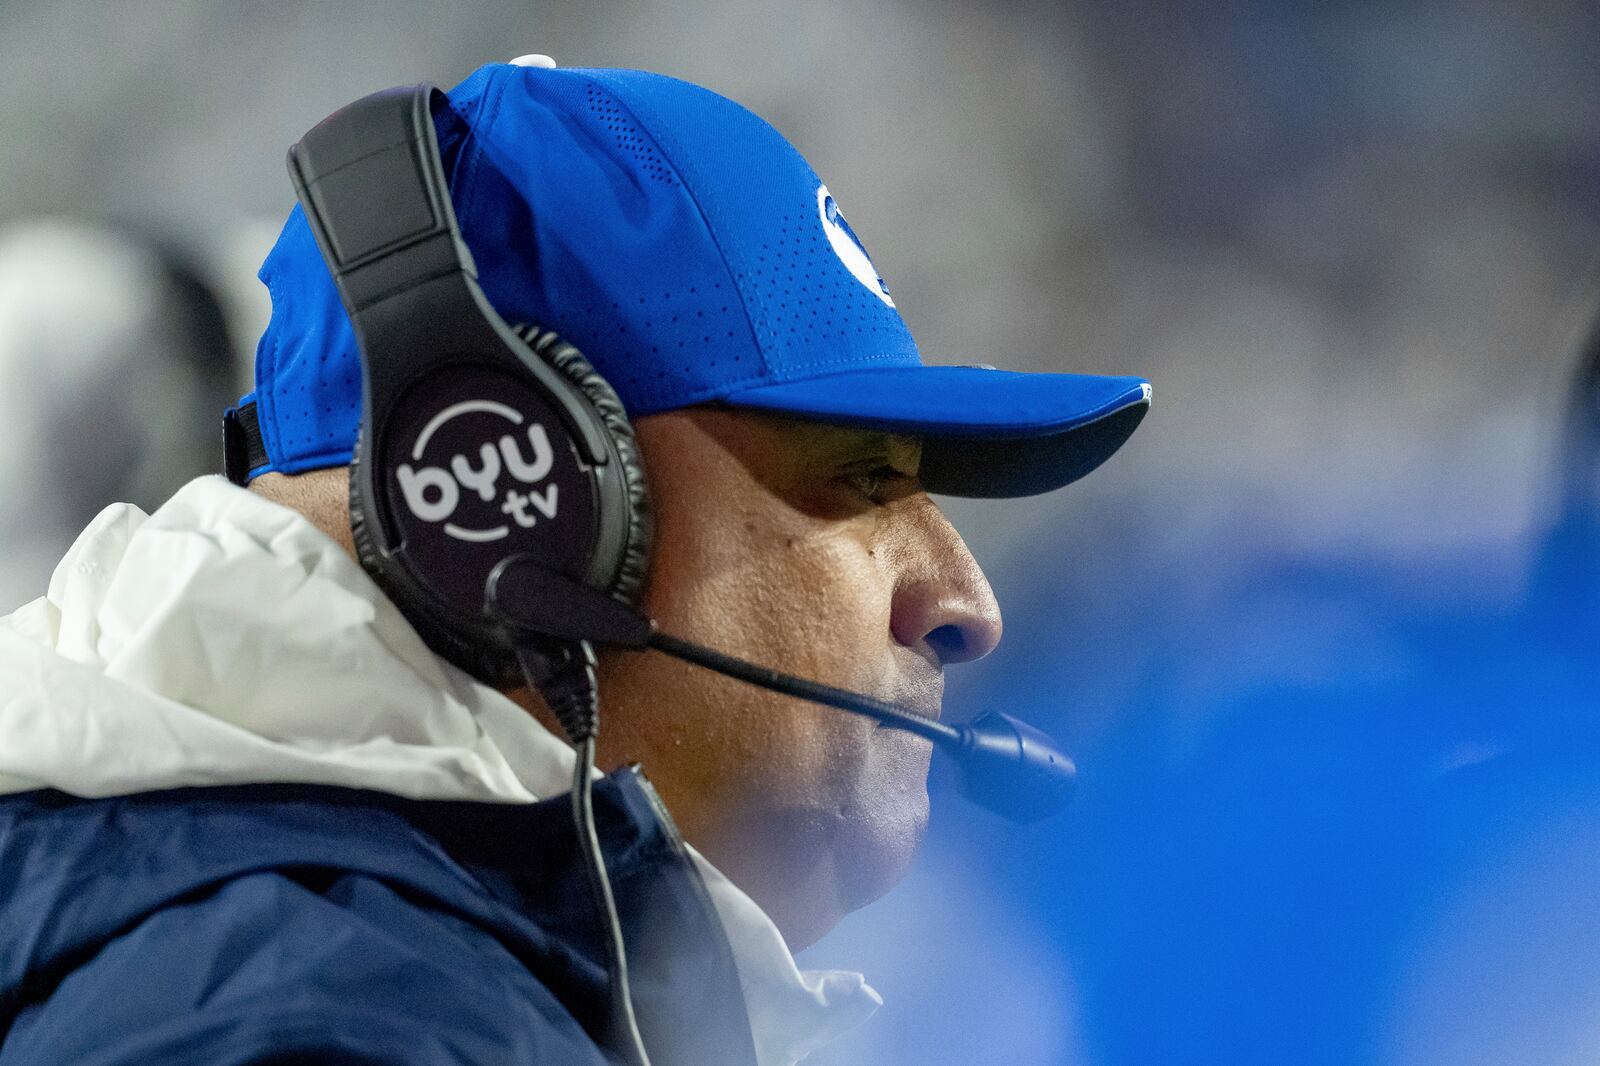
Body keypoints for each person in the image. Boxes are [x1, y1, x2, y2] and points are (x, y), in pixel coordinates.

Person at [0, 56, 1150, 1065]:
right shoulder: (331, 1021)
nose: (966, 603)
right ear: (510, 501)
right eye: (862, 480)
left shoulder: (323, 967)